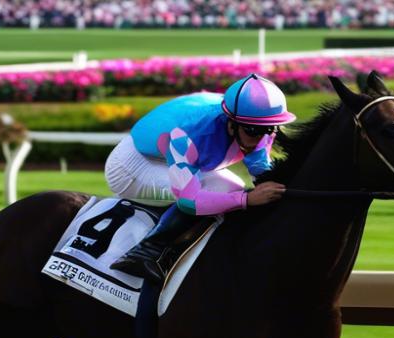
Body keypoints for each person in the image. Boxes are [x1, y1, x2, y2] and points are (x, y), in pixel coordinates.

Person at [106, 73, 295, 283]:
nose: (261, 138)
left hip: (176, 158)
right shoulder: (190, 135)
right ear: (231, 123)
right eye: (253, 131)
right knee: (223, 194)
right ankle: (145, 252)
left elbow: (259, 167)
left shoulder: (256, 127)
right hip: (132, 165)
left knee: (236, 188)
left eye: (269, 130)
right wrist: (247, 200)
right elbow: (190, 201)